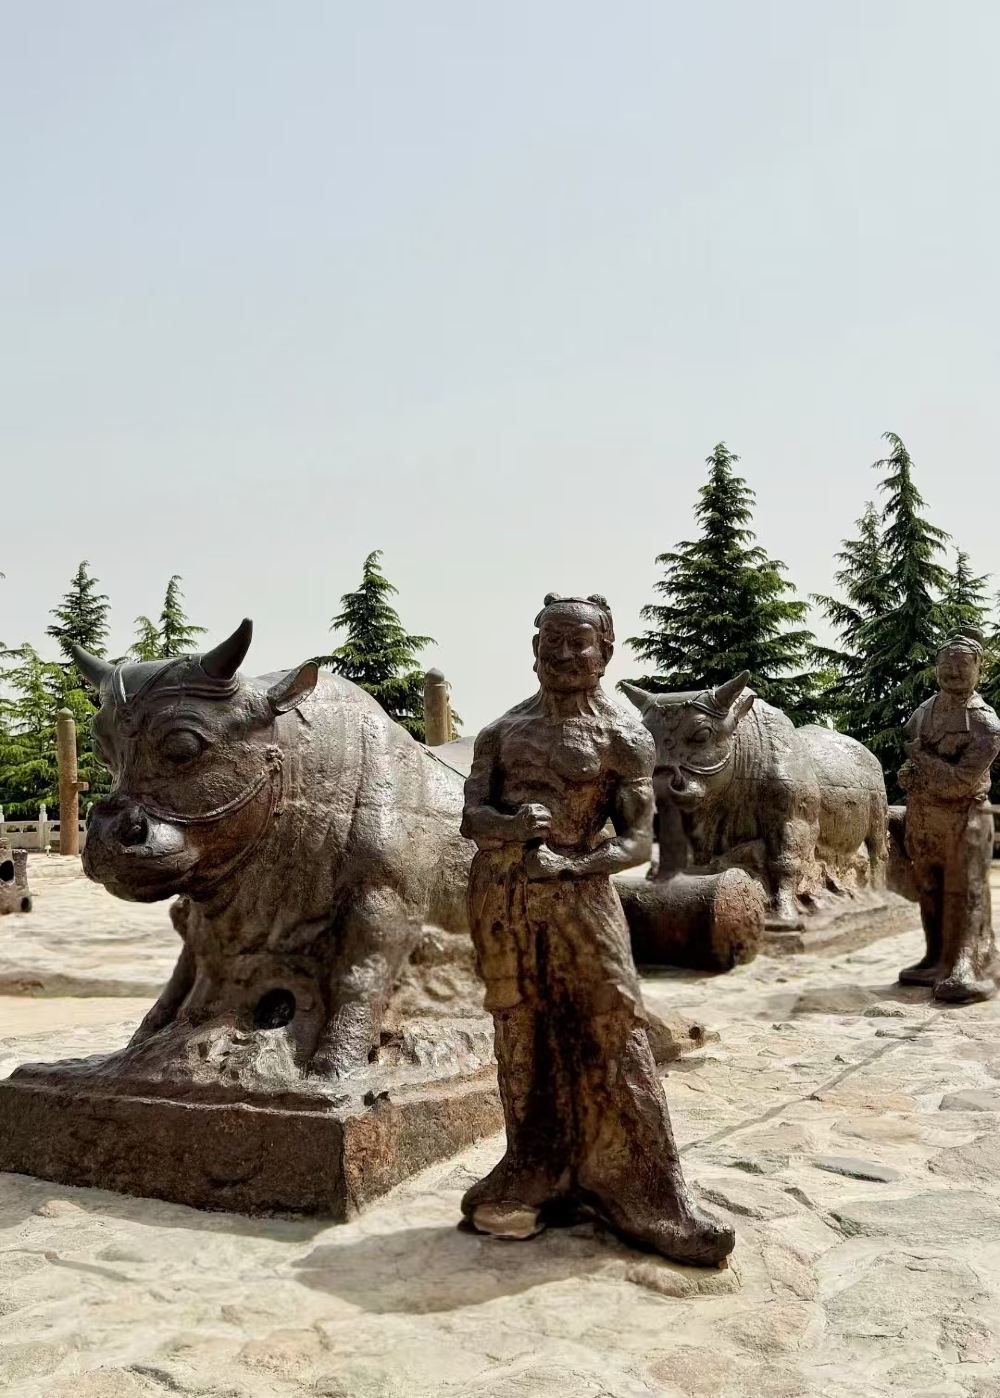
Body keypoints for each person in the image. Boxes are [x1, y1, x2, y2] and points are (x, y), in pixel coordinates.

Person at [459, 592, 734, 1265]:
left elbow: (637, 843)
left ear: (604, 651)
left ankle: (650, 1193)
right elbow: (471, 818)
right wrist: (510, 827)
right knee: (520, 1030)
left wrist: (572, 864)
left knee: (615, 1025)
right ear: (535, 649)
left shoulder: (623, 737)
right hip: (504, 898)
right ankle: (534, 1166)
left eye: (577, 641)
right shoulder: (501, 733)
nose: (563, 653)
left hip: (582, 901)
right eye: (551, 640)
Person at [898, 626, 1000, 1002]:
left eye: (962, 665)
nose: (953, 671)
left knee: (965, 892)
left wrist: (920, 760)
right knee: (929, 889)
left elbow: (959, 782)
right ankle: (936, 957)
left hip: (964, 818)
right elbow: (910, 760)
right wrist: (908, 773)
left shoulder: (985, 723)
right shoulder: (923, 712)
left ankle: (967, 964)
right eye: (946, 664)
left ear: (978, 669)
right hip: (925, 818)